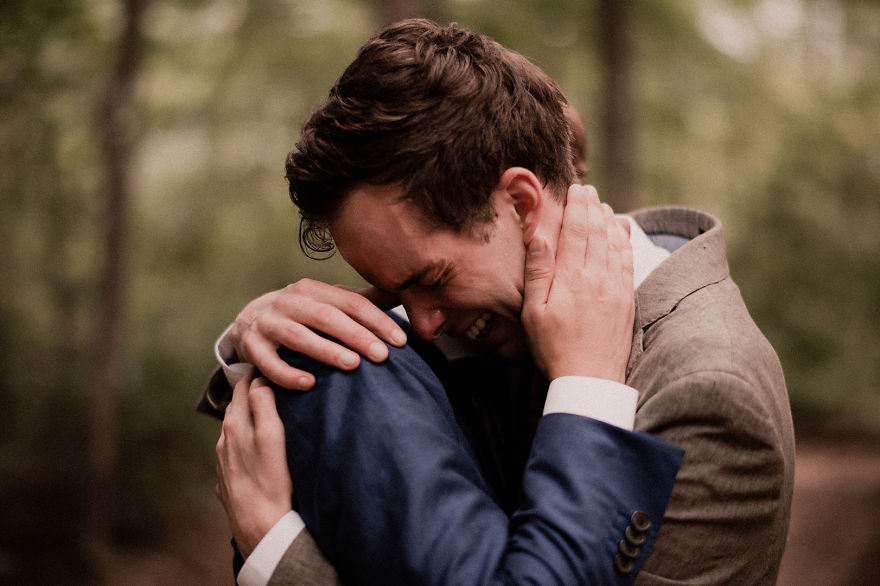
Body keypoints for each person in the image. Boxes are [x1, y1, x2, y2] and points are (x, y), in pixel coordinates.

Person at [202, 18, 795, 585]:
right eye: (392, 290)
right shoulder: (498, 295)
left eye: (431, 278)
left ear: (518, 203)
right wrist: (255, 330)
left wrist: (277, 556)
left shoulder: (709, 388)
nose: (422, 323)